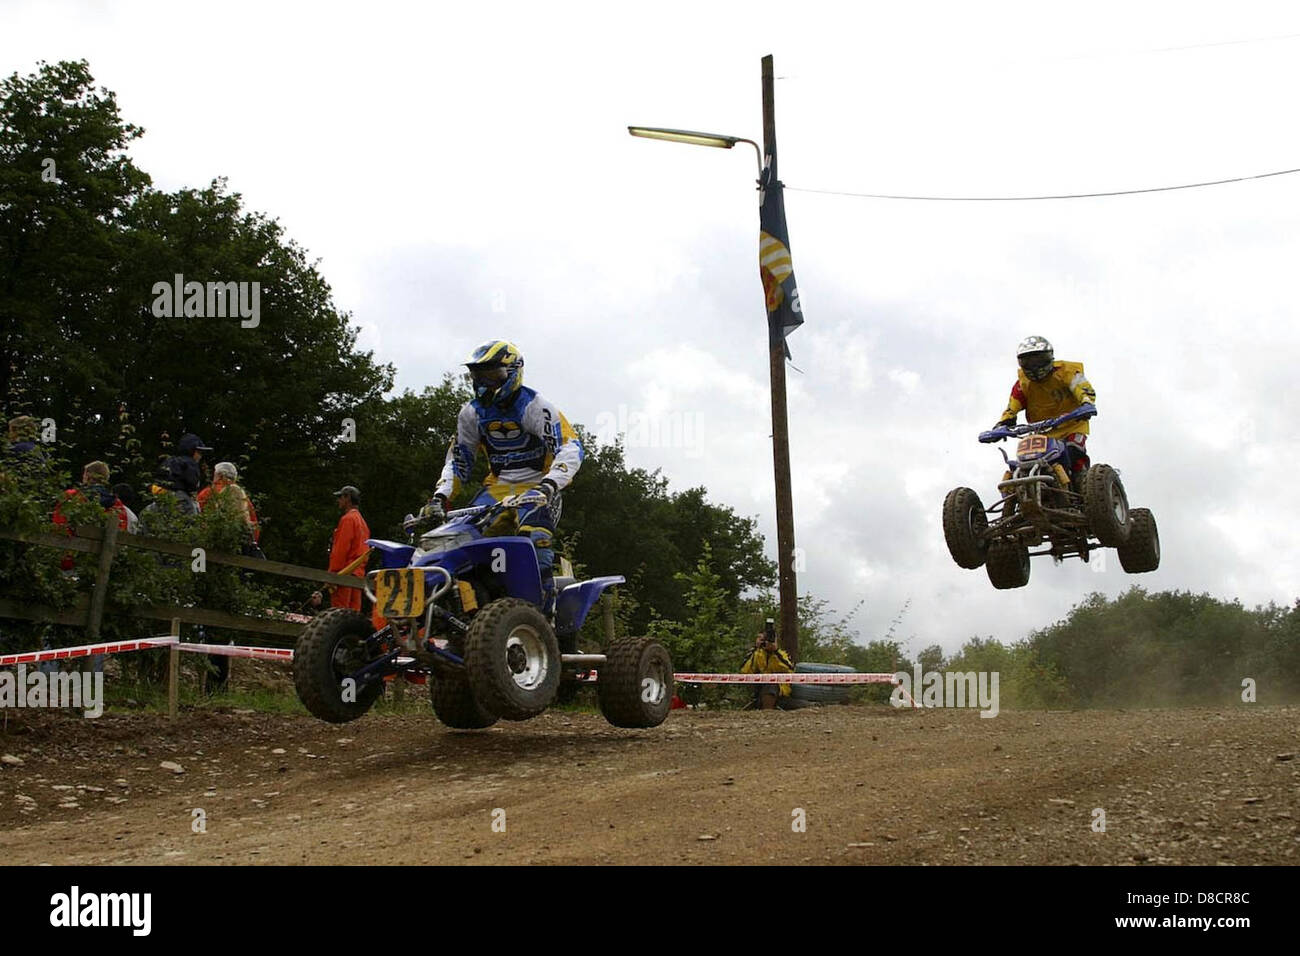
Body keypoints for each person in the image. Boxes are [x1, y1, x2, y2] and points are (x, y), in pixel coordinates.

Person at [417, 340, 583, 618]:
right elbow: (458, 462)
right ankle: (463, 607)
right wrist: (440, 498)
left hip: (537, 486)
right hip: (498, 488)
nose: (485, 383)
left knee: (535, 536)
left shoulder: (534, 405)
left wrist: (549, 485)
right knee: (458, 537)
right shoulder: (471, 413)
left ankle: (544, 611)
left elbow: (570, 447)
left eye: (492, 376)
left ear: (513, 372)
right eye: (479, 376)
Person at [992, 336, 1097, 492]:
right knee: (1023, 461)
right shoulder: (1023, 383)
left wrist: (1086, 403)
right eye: (1028, 362)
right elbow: (1012, 405)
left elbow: (1081, 387)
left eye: (1038, 360)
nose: (1034, 367)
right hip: (1041, 432)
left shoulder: (1066, 371)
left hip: (1072, 425)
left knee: (1073, 452)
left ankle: (1086, 491)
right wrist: (1004, 423)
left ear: (1049, 357)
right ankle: (1013, 494)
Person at [52, 461, 130, 570]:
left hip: (71, 559)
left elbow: (59, 526)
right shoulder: (117, 505)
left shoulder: (72, 497)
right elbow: (121, 533)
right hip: (101, 563)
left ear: (87, 476)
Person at [313, 485, 369, 612]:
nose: (338, 501)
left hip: (345, 573)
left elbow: (340, 550)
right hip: (358, 575)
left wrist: (332, 574)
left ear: (347, 498)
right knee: (354, 615)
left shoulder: (348, 519)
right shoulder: (363, 523)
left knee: (339, 613)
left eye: (340, 497)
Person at [197, 461, 262, 554]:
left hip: (211, 543)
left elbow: (198, 514)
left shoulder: (208, 493)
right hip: (239, 546)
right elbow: (254, 523)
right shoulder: (242, 496)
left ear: (220, 476)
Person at [740, 620, 794, 710]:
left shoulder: (782, 655)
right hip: (760, 688)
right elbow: (745, 671)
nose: (766, 642)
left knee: (770, 684)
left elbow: (789, 669)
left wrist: (774, 652)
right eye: (762, 639)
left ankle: (767, 712)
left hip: (780, 691)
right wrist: (755, 649)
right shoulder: (756, 654)